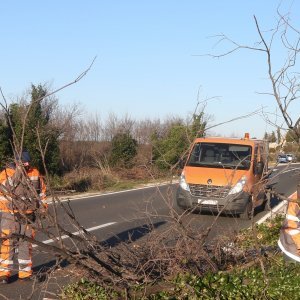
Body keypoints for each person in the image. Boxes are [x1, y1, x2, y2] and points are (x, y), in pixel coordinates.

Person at [0, 151, 47, 284]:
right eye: (23, 163)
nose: (26, 165)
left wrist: (43, 208)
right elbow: (3, 192)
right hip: (10, 215)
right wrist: (18, 173)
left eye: (27, 163)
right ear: (16, 162)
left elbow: (42, 192)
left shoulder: (35, 173)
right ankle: (3, 274)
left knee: (26, 245)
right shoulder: (6, 173)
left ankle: (25, 274)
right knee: (8, 244)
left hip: (29, 215)